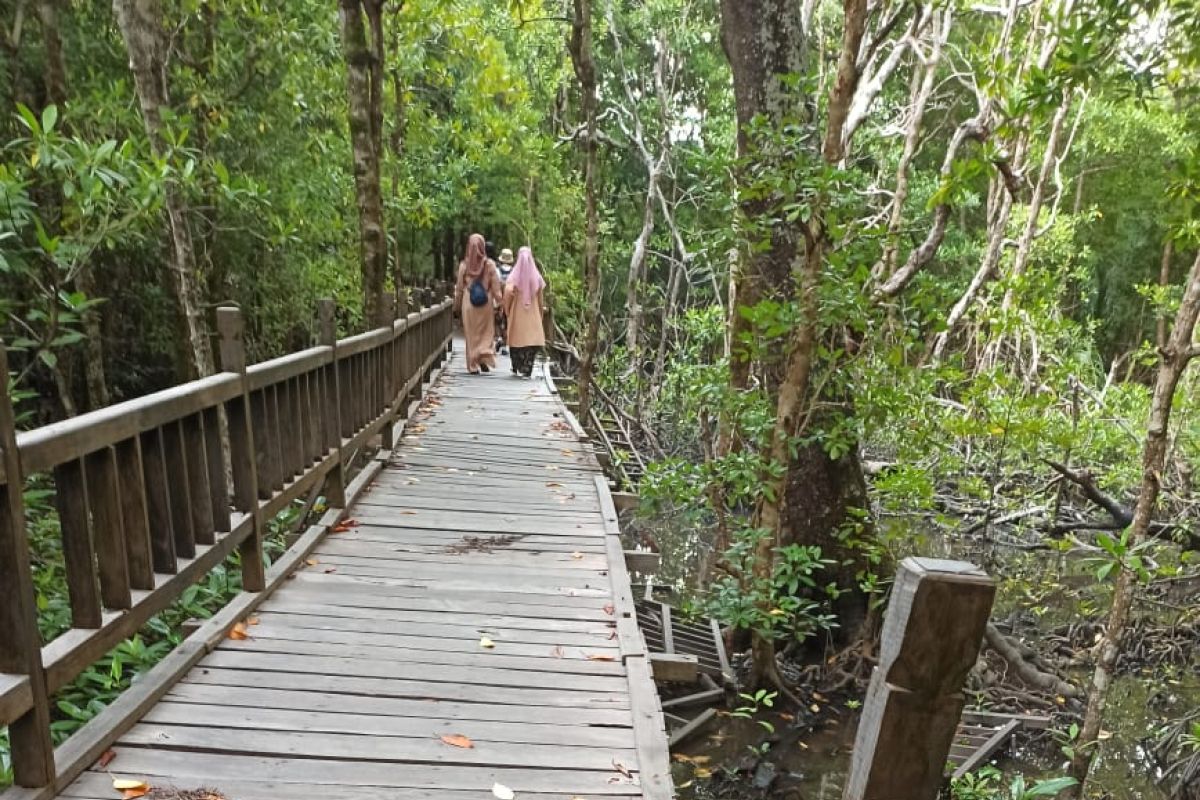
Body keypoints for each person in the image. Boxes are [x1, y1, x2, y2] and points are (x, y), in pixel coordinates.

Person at [454, 233, 503, 374]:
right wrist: (501, 304)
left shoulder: (464, 266)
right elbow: (496, 289)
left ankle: (473, 364)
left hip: (468, 303)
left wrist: (456, 307)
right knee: (485, 333)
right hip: (485, 304)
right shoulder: (490, 265)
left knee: (471, 334)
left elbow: (459, 289)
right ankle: (483, 357)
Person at [502, 246, 546, 378]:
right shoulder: (537, 278)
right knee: (531, 344)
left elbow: (507, 296)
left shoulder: (513, 278)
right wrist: (540, 315)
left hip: (517, 316)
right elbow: (540, 301)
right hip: (533, 318)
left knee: (516, 342)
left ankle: (517, 366)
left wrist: (508, 311)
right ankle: (527, 368)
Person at [495, 248, 515, 355]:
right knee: (508, 321)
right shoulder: (514, 271)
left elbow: (496, 284)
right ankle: (506, 345)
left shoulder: (497, 270)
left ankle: (498, 338)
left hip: (499, 298)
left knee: (498, 320)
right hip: (510, 300)